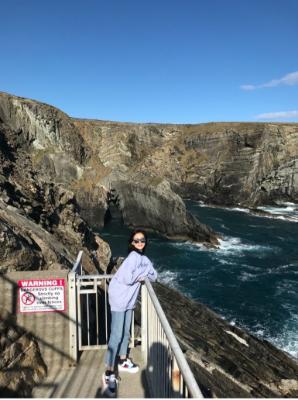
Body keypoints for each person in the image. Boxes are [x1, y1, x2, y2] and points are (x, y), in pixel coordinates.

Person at [102, 229, 157, 397]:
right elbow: (127, 278)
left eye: (142, 240)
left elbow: (154, 276)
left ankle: (123, 360)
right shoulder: (132, 258)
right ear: (131, 243)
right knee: (117, 335)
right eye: (136, 240)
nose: (140, 242)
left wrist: (143, 274)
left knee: (126, 332)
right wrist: (143, 274)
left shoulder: (144, 259)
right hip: (119, 298)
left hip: (129, 301)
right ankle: (108, 372)